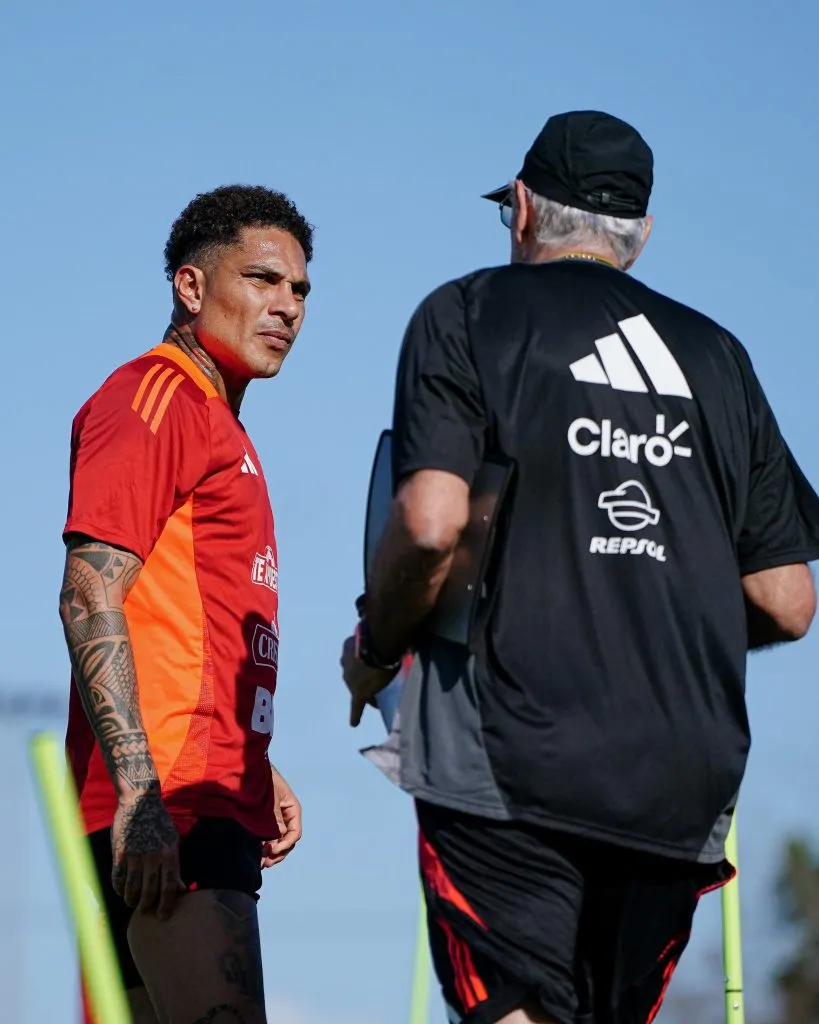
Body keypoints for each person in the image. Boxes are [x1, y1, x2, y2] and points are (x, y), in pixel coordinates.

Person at [341, 110, 819, 1024]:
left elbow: (433, 523)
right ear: (640, 237)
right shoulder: (721, 358)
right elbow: (787, 600)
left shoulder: (467, 311)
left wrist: (375, 644)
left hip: (512, 750)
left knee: (514, 1010)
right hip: (681, 775)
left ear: (520, 209)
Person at [60, 184, 312, 1024]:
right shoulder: (155, 397)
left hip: (202, 786)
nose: (285, 306)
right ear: (191, 286)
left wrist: (254, 756)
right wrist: (142, 793)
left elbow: (184, 621)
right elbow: (90, 591)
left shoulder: (221, 425)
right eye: (263, 280)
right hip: (172, 799)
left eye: (300, 290)